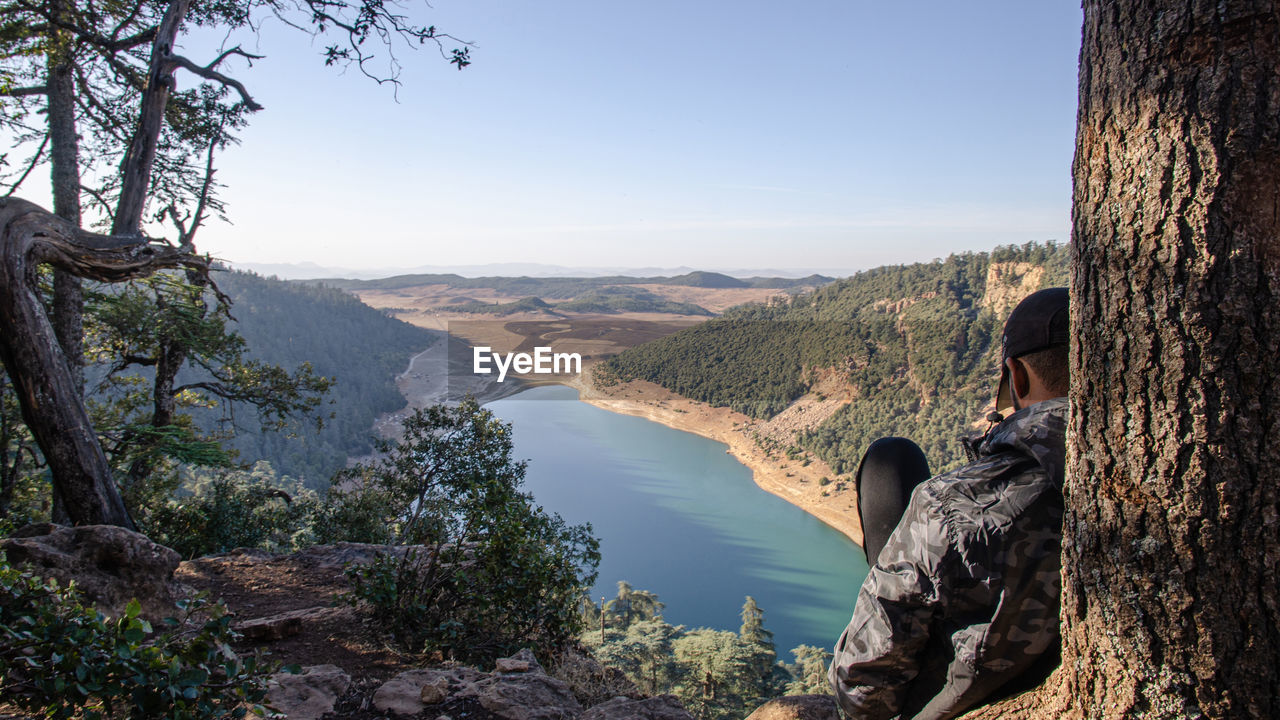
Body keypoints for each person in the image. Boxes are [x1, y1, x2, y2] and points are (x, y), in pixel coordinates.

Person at [829, 287, 1070, 720]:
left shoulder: (953, 504)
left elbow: (864, 679)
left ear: (1016, 376)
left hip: (956, 703)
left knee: (890, 462)